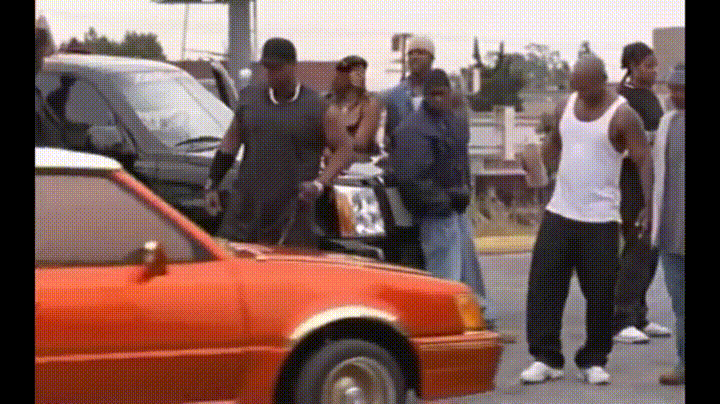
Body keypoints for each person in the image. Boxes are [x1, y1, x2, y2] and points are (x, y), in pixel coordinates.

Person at [518, 55, 652, 385]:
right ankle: (546, 358)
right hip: (560, 213)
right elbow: (555, 143)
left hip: (601, 219)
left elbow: (643, 160)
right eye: (573, 84)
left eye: (582, 85)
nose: (577, 90)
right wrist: (537, 167)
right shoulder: (565, 106)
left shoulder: (622, 115)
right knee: (544, 288)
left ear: (600, 81)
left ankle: (593, 360)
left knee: (601, 294)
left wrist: (648, 205)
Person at [204, 38, 354, 247]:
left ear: (293, 66)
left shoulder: (319, 108)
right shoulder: (250, 99)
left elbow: (346, 149)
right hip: (245, 210)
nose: (272, 74)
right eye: (268, 68)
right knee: (233, 263)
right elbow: (230, 143)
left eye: (278, 68)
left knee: (286, 266)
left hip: (291, 215)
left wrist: (320, 183)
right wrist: (212, 184)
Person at [391, 69, 497, 323]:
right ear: (426, 96)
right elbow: (411, 178)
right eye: (433, 94)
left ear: (450, 94)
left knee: (467, 270)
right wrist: (444, 202)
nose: (438, 99)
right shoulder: (413, 128)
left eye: (442, 94)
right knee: (445, 274)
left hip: (455, 206)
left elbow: (461, 162)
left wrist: (464, 193)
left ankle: (477, 317)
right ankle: (443, 322)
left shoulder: (454, 121)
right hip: (434, 212)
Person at [613, 42, 672, 344]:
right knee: (637, 247)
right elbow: (620, 141)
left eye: (655, 65)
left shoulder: (650, 97)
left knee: (651, 250)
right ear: (632, 67)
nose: (654, 71)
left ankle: (638, 314)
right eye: (648, 66)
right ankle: (620, 318)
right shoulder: (622, 100)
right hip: (631, 182)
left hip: (654, 182)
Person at [651, 64, 685, 385]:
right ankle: (683, 363)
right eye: (672, 89)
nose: (675, 95)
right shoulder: (667, 123)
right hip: (671, 233)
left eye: (681, 89)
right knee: (681, 304)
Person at [323, 55, 383, 164]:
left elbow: (360, 144)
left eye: (361, 71)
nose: (358, 75)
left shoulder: (369, 104)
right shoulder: (327, 101)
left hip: (359, 164)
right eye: (352, 71)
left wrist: (326, 144)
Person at [383, 36, 436, 153]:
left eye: (420, 52)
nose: (414, 57)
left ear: (431, 58)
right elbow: (388, 139)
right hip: (404, 160)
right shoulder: (395, 95)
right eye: (411, 53)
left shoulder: (444, 94)